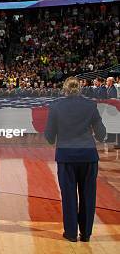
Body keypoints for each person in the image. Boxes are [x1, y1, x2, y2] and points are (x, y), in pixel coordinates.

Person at [44, 77, 107, 242]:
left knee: (69, 196)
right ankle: (86, 234)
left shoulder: (56, 106)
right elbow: (101, 134)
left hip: (66, 156)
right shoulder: (91, 105)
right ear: (80, 89)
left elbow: (49, 136)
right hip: (88, 156)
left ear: (64, 90)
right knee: (88, 195)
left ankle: (71, 234)